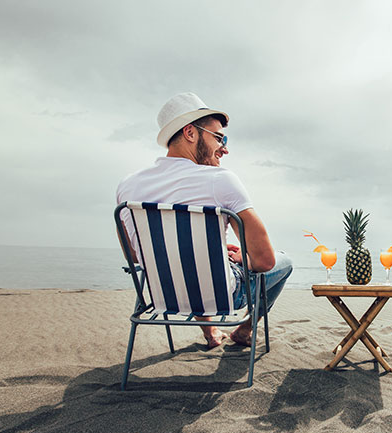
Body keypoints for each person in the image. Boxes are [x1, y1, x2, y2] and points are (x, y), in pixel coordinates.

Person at [116, 92, 292, 349]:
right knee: (284, 261)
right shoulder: (220, 180)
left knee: (187, 265)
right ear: (190, 133)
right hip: (222, 296)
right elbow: (266, 261)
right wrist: (244, 258)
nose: (225, 148)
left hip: (162, 296)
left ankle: (210, 332)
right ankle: (244, 330)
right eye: (219, 138)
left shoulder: (127, 186)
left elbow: (133, 256)